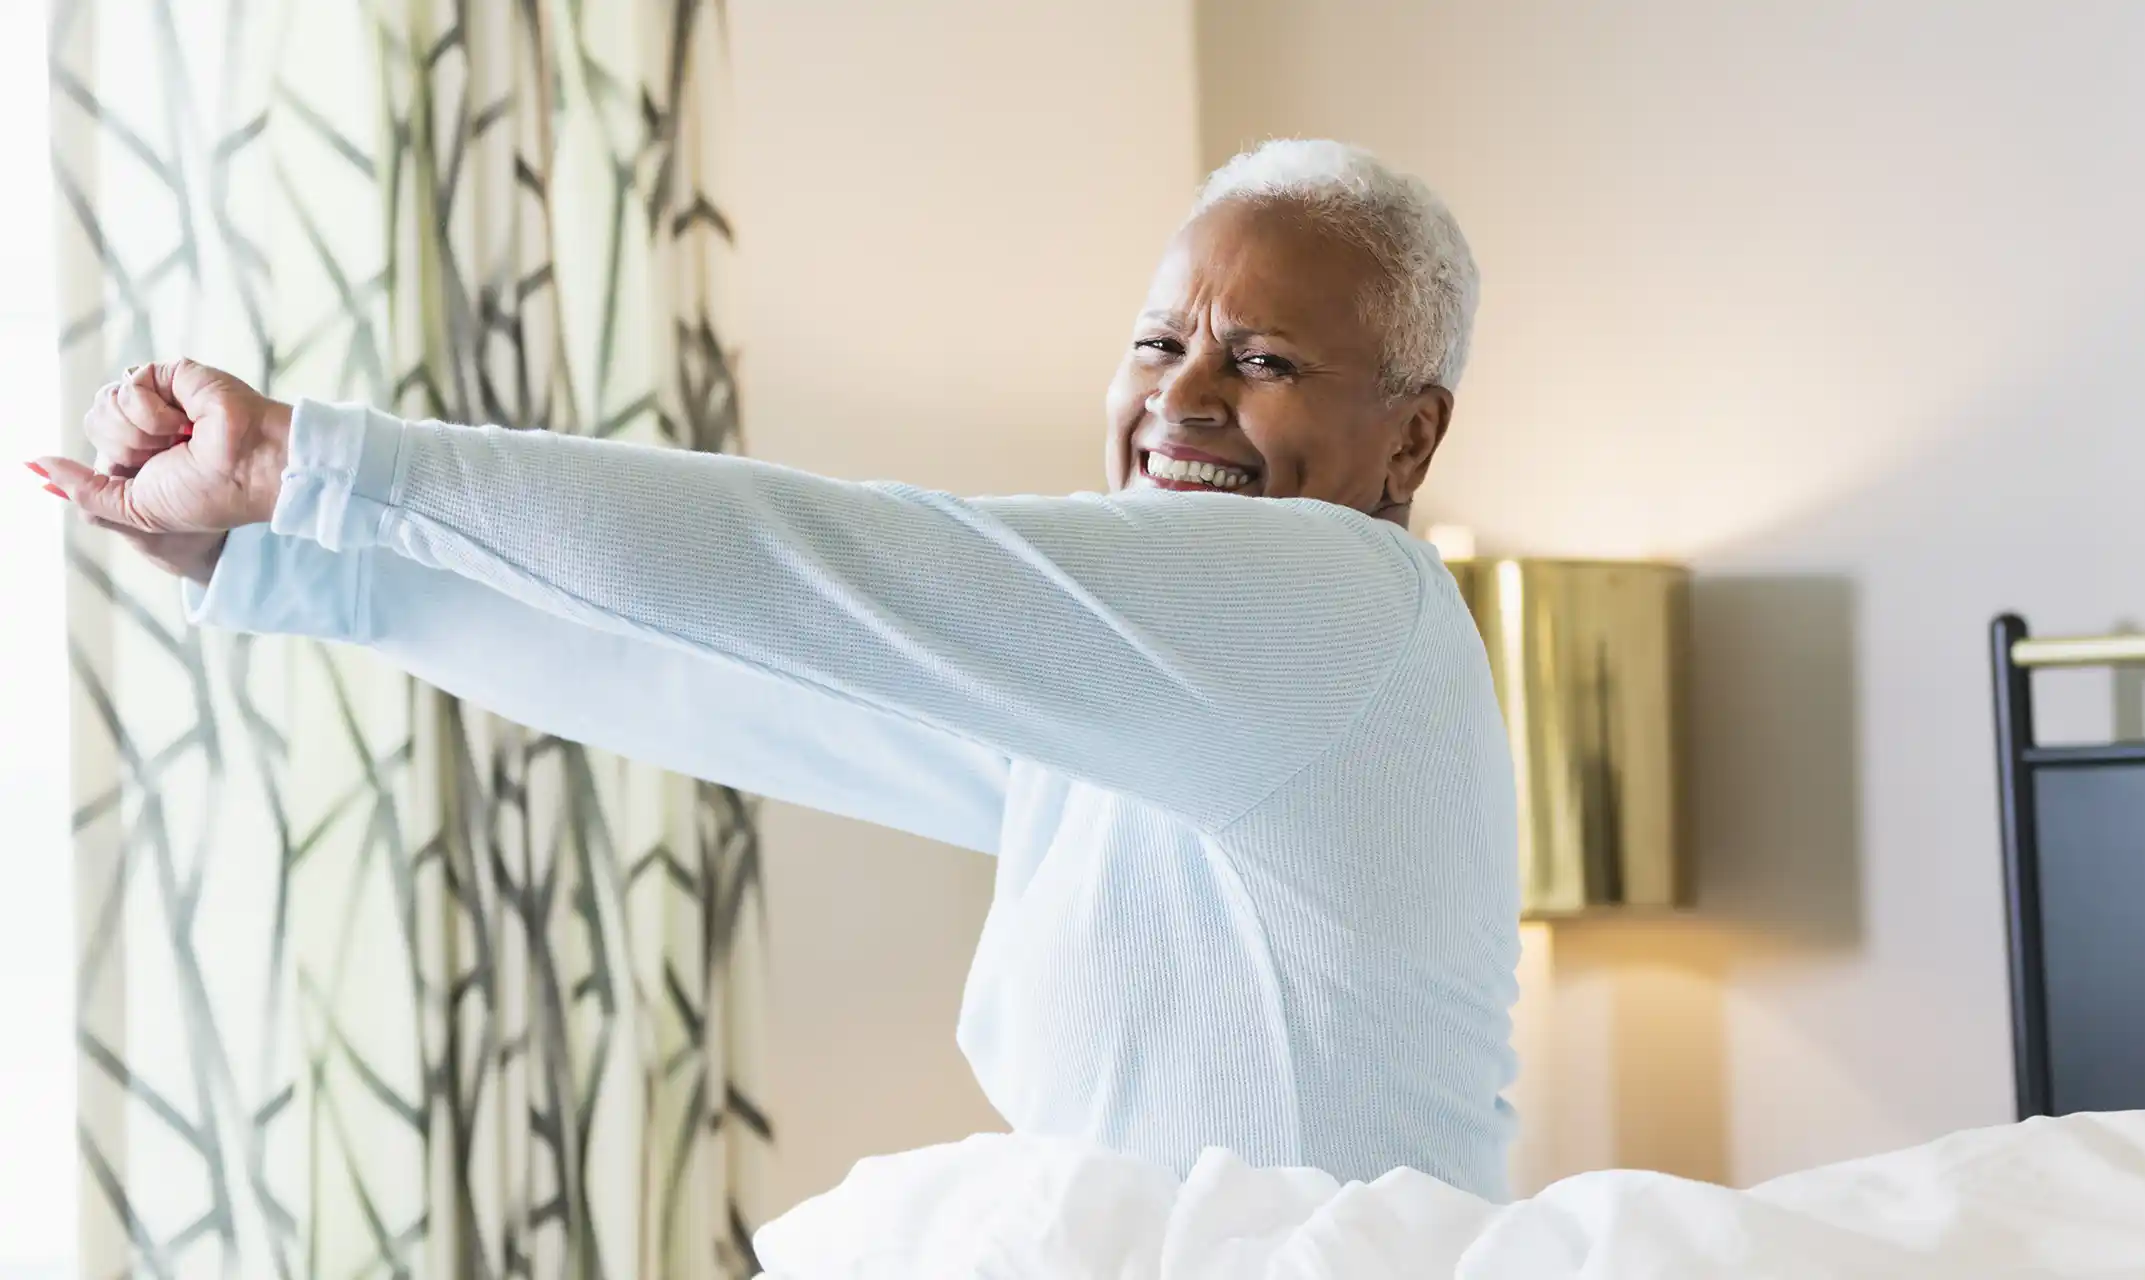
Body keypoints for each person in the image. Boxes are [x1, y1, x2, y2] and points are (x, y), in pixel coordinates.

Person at [33, 140, 1522, 1198]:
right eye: (1155, 345)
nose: (1178, 397)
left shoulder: (1341, 601)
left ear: (1410, 438)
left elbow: (816, 567)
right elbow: (714, 673)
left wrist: (313, 459)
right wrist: (278, 560)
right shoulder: (1165, 705)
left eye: (1259, 361)